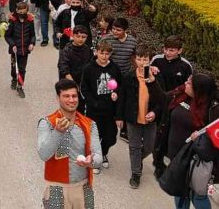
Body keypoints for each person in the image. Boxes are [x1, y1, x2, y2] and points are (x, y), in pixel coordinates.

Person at [153, 73, 219, 208]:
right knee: (180, 194)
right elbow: (162, 98)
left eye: (189, 83)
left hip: (196, 162)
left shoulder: (213, 109)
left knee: (198, 196)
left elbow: (214, 138)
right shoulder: (180, 95)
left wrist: (200, 139)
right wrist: (152, 82)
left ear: (198, 89)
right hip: (177, 157)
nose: (185, 83)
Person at [37, 79, 102, 209]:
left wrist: (91, 161)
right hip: (56, 188)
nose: (71, 100)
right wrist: (58, 132)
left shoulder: (89, 124)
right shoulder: (47, 123)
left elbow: (98, 157)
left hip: (84, 187)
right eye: (66, 96)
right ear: (58, 98)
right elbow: (44, 154)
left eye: (74, 96)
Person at [115, 45, 162, 189]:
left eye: (145, 59)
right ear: (135, 60)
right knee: (134, 146)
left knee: (149, 145)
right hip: (132, 118)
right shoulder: (129, 77)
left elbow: (162, 99)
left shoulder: (156, 77)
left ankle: (137, 159)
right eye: (139, 59)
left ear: (150, 60)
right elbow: (122, 98)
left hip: (150, 119)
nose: (142, 62)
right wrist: (119, 117)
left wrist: (154, 112)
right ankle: (136, 173)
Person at [80, 41, 122, 174]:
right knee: (94, 135)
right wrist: (93, 102)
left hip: (110, 109)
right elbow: (84, 89)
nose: (104, 56)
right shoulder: (89, 68)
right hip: (94, 109)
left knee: (110, 135)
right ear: (96, 52)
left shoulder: (114, 68)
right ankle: (95, 159)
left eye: (107, 53)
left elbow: (118, 85)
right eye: (101, 53)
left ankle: (103, 153)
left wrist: (116, 93)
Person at [57, 26, 93, 112]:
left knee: (81, 108)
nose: (81, 39)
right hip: (69, 83)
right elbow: (63, 68)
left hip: (82, 84)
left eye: (83, 37)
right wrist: (74, 84)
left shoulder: (87, 50)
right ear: (73, 36)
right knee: (69, 108)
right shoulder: (67, 50)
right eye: (78, 36)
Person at [4, 2, 35, 98]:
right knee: (14, 68)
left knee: (22, 69)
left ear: (27, 11)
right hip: (15, 49)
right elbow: (7, 36)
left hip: (25, 50)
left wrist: (32, 43)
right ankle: (14, 78)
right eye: (20, 12)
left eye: (24, 12)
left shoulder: (30, 21)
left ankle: (20, 86)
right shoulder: (12, 21)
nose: (22, 13)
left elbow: (32, 35)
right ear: (17, 11)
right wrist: (12, 44)